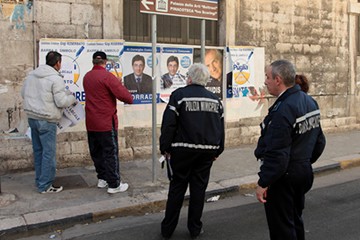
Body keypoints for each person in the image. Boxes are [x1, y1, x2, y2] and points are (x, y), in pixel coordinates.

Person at [255, 60, 326, 240]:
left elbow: (277, 153)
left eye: (267, 77)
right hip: (301, 172)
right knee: (295, 221)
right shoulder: (310, 102)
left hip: (283, 178)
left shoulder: (284, 109)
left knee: (282, 230)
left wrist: (263, 182)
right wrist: (303, 162)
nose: (265, 81)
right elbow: (319, 142)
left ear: (278, 80)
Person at [160, 63, 225, 239]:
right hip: (206, 152)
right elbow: (220, 127)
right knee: (198, 191)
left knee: (177, 189)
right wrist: (218, 150)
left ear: (189, 78)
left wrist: (165, 148)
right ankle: (195, 228)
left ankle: (168, 229)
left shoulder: (179, 96)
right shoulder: (215, 100)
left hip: (182, 150)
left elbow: (169, 124)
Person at [21, 51, 77, 193]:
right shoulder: (55, 78)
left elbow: (23, 94)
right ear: (58, 63)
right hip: (47, 119)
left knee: (38, 151)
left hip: (33, 118)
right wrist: (72, 98)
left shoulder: (31, 75)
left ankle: (39, 181)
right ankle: (45, 185)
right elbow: (61, 101)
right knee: (48, 153)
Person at [83, 51, 133, 194]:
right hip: (106, 122)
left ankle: (102, 178)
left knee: (97, 152)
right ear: (105, 62)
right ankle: (114, 184)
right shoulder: (107, 77)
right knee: (110, 153)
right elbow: (127, 98)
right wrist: (118, 84)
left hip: (91, 121)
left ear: (93, 62)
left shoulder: (87, 76)